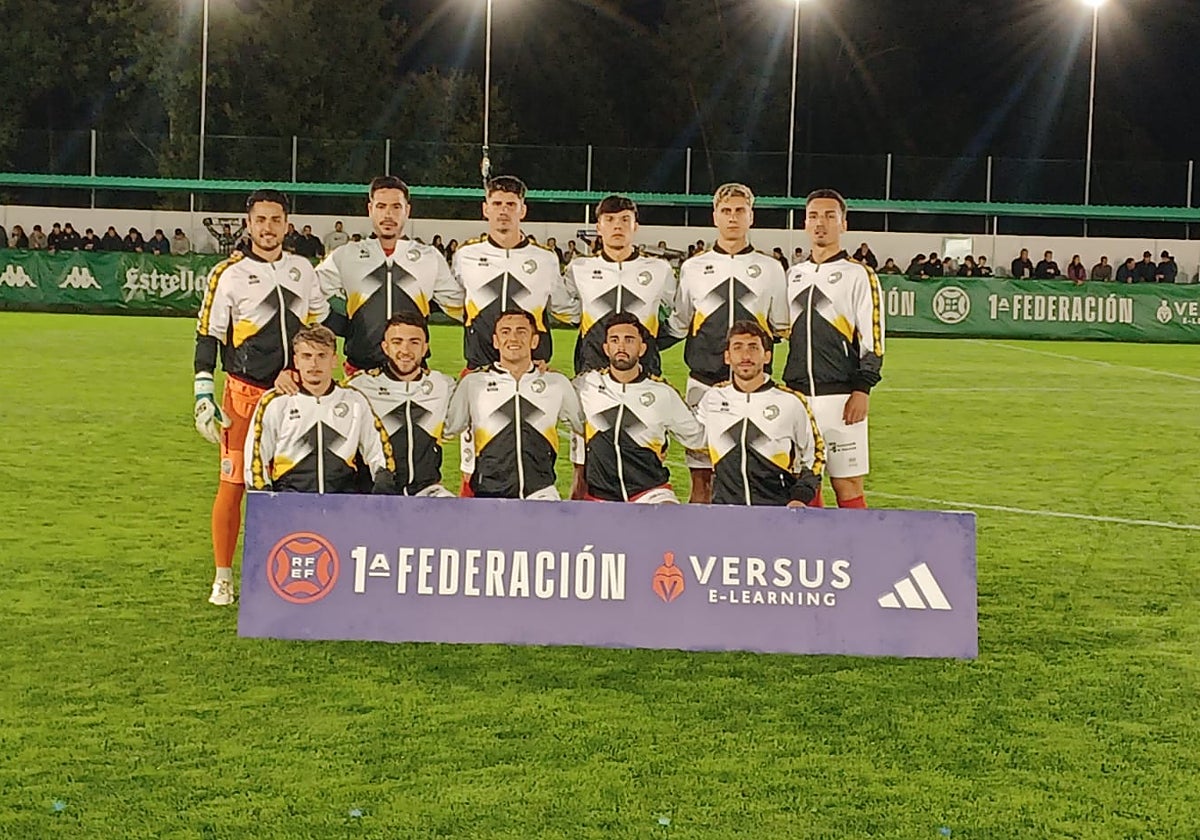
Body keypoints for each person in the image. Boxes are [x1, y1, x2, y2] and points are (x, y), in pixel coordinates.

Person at [192, 188, 342, 607]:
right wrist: (203, 390)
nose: (269, 227)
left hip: (292, 395)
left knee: (293, 483)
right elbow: (208, 335)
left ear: (287, 224)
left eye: (276, 220)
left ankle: (291, 574)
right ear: (249, 224)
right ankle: (223, 577)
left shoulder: (301, 269)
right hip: (244, 395)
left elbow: (320, 325)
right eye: (261, 220)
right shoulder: (228, 274)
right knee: (233, 484)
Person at [665, 182, 789, 504]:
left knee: (753, 479)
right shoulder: (692, 268)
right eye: (726, 211)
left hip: (754, 390)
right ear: (714, 216)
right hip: (703, 384)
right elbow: (680, 324)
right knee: (701, 481)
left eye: (739, 211)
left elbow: (780, 327)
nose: (732, 217)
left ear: (752, 216)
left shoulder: (771, 269)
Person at [783, 188, 883, 510]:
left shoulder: (859, 275)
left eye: (829, 216)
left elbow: (873, 339)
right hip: (796, 397)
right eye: (813, 216)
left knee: (847, 483)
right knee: (803, 482)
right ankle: (814, 557)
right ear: (804, 224)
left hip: (841, 399)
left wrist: (862, 389)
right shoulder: (793, 275)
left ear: (844, 223)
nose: (820, 223)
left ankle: (861, 555)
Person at [313, 175, 463, 376]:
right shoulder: (346, 255)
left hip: (413, 374)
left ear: (407, 210)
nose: (388, 214)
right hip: (360, 374)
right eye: (381, 206)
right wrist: (341, 325)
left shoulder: (429, 257)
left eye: (396, 207)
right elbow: (308, 293)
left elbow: (462, 305)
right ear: (370, 209)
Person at [444, 309, 584, 500]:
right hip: (488, 493)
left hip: (542, 493)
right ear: (495, 341)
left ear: (534, 341)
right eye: (505, 331)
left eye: (521, 331)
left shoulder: (556, 383)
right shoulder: (474, 383)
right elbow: (449, 428)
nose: (513, 337)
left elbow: (584, 428)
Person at [246, 325, 394, 495]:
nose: (313, 364)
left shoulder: (354, 401)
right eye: (306, 356)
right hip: (290, 503)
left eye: (321, 356)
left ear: (334, 361)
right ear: (296, 361)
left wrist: (383, 479)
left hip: (342, 504)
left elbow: (377, 446)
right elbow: (255, 456)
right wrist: (261, 492)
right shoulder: (275, 402)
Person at [573, 313, 705, 504]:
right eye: (614, 340)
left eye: (629, 340)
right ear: (606, 348)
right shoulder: (585, 385)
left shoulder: (663, 393)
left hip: (650, 492)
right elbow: (547, 394)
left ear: (642, 348)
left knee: (668, 519)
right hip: (600, 496)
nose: (621, 346)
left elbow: (697, 438)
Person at [696, 321, 823, 507]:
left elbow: (816, 453)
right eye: (737, 348)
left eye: (753, 348)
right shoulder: (712, 398)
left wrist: (800, 496)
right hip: (725, 509)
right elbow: (693, 438)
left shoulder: (790, 401)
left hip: (776, 510)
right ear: (727, 357)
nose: (746, 356)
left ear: (767, 356)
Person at [452, 175, 571, 373]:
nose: (504, 211)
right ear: (486, 209)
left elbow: (562, 308)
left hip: (531, 370)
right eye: (497, 203)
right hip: (479, 370)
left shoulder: (545, 258)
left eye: (511, 204)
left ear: (522, 210)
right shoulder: (465, 255)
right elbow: (453, 301)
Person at [346, 313, 458, 497]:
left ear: (425, 348)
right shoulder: (359, 387)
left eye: (414, 342)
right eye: (397, 342)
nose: (405, 350)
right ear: (386, 347)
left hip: (427, 491)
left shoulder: (443, 385)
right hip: (375, 492)